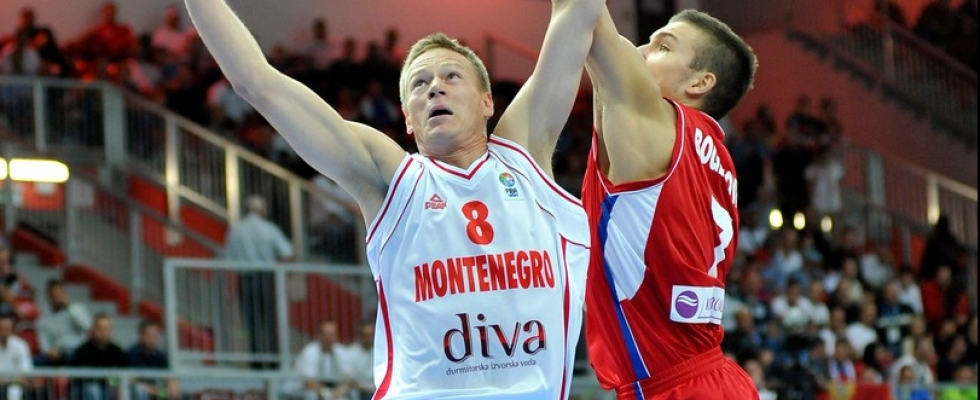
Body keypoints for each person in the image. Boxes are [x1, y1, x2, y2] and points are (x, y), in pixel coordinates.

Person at [184, 0, 599, 396]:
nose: (435, 88)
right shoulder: (392, 179)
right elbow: (255, 82)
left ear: (487, 101)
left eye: (452, 76)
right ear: (407, 119)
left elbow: (577, 13)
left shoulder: (524, 154)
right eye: (420, 83)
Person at [577, 5, 759, 399]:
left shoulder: (659, 128)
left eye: (663, 47)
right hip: (714, 377)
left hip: (676, 386)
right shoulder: (717, 156)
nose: (641, 50)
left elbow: (585, 18)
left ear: (700, 82)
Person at [223, 194, 295, 370]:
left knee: (251, 322)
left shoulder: (236, 230)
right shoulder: (268, 228)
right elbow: (288, 253)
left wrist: (229, 288)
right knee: (270, 321)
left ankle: (256, 361)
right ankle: (274, 361)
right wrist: (278, 268)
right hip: (267, 277)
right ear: (261, 210)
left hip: (245, 279)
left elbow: (228, 261)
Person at [70, 313, 129, 400]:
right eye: (99, 329)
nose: (103, 332)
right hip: (86, 391)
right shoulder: (83, 351)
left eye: (106, 329)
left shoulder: (117, 352)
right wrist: (107, 380)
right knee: (93, 389)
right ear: (93, 331)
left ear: (111, 331)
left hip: (111, 389)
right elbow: (81, 378)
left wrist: (113, 383)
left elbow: (126, 374)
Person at [35, 279, 92, 366]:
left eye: (59, 293)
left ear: (64, 293)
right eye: (53, 295)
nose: (57, 297)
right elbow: (44, 343)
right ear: (48, 296)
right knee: (36, 362)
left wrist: (69, 306)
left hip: (77, 351)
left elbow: (87, 326)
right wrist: (49, 351)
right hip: (57, 353)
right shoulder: (43, 319)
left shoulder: (76, 309)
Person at [127, 320, 180, 400]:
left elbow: (169, 377)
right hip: (137, 393)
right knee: (140, 392)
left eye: (154, 335)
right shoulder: (131, 355)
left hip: (156, 392)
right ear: (141, 336)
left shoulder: (161, 356)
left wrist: (173, 388)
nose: (152, 339)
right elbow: (130, 380)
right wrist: (150, 389)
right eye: (148, 335)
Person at [293, 321, 345, 400]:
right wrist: (326, 393)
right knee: (311, 395)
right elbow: (308, 382)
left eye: (333, 334)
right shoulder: (309, 352)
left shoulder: (341, 351)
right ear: (319, 336)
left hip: (332, 390)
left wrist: (341, 390)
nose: (330, 338)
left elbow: (349, 377)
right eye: (327, 334)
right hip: (303, 391)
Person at [0, 312, 32, 400]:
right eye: (1, 329)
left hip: (15, 386)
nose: (4, 332)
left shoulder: (21, 345)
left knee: (15, 392)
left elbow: (26, 373)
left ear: (12, 329)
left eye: (7, 329)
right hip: (9, 383)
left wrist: (8, 382)